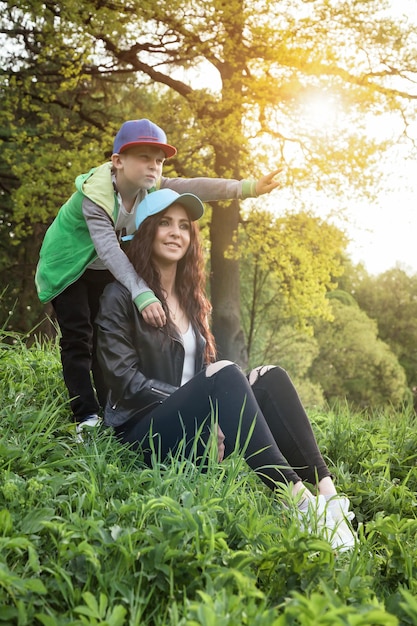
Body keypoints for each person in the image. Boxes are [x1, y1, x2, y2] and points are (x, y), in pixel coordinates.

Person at [95, 188, 357, 552]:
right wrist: (207, 406)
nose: (176, 233)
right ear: (146, 231)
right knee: (226, 371)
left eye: (184, 226)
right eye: (165, 224)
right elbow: (124, 382)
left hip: (194, 434)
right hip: (143, 434)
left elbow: (204, 374)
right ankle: (298, 501)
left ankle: (329, 499)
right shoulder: (120, 296)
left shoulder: (191, 300)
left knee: (270, 377)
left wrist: (211, 409)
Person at [34, 118, 282, 434]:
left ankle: (108, 407)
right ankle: (85, 416)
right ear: (118, 161)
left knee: (103, 337)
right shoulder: (94, 196)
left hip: (104, 268)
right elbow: (110, 250)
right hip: (68, 267)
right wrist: (141, 292)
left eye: (159, 160)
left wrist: (247, 188)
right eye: (144, 158)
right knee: (79, 337)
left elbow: (194, 186)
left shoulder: (149, 187)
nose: (154, 166)